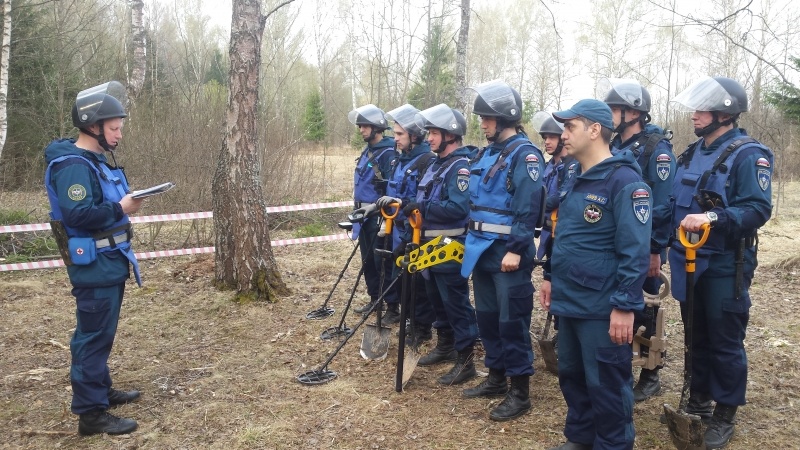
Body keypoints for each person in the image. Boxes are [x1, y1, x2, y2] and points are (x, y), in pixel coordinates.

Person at [668, 76, 773, 449]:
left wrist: (713, 218)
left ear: (724, 113)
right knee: (696, 334)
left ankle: (725, 411)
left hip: (725, 263)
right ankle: (699, 400)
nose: (694, 116)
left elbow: (758, 208)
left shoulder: (749, 154)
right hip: (687, 260)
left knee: (724, 339)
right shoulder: (692, 152)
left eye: (701, 109)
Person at [541, 99, 651, 450]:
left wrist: (624, 306)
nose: (563, 135)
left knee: (606, 383)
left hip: (602, 306)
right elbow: (568, 237)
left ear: (594, 130)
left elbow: (635, 252)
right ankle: (581, 438)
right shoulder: (575, 176)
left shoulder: (625, 182)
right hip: (571, 300)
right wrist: (551, 277)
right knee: (572, 376)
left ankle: (613, 443)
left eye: (570, 127)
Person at [43, 81, 143, 436]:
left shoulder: (92, 161)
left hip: (109, 261)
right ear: (92, 126)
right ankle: (91, 414)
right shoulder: (72, 166)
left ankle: (102, 390)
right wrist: (121, 207)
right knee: (92, 337)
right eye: (114, 128)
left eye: (120, 127)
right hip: (95, 265)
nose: (118, 134)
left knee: (102, 332)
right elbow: (79, 215)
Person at [460, 80, 545, 421]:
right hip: (480, 251)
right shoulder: (485, 153)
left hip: (508, 254)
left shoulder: (525, 155)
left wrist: (516, 249)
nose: (482, 123)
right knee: (488, 319)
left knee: (512, 322)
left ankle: (520, 391)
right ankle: (495, 377)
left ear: (504, 118)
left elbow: (527, 207)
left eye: (486, 118)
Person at [392, 104, 478, 385]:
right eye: (428, 132)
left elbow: (458, 207)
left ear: (450, 135)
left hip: (448, 247)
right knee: (438, 302)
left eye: (433, 133)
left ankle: (465, 361)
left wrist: (423, 206)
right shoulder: (435, 164)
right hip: (427, 247)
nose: (428, 138)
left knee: (456, 304)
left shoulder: (460, 168)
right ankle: (445, 346)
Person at [602, 78, 676, 402]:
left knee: (646, 309)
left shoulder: (656, 149)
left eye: (614, 108)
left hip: (644, 247)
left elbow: (663, 204)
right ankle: (620, 365)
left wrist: (655, 249)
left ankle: (651, 372)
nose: (610, 114)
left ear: (633, 111)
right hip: (616, 244)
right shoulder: (616, 146)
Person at [375, 104, 434, 327]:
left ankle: (422, 327)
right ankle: (408, 318)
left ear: (415, 135)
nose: (395, 139)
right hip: (396, 230)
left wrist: (404, 205)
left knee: (417, 281)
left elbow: (424, 200)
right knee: (399, 279)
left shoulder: (426, 161)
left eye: (400, 134)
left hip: (415, 231)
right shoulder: (398, 160)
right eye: (394, 133)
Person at [348, 104, 397, 315]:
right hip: (363, 217)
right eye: (360, 126)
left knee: (382, 262)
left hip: (379, 217)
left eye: (365, 126)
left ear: (377, 127)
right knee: (367, 261)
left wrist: (387, 219)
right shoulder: (367, 150)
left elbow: (391, 188)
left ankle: (392, 307)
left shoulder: (388, 153)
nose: (361, 130)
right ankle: (375, 300)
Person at [532, 110, 576, 261]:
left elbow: (560, 197)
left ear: (562, 139)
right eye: (545, 137)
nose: (547, 142)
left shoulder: (573, 166)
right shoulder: (547, 166)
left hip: (562, 235)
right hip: (547, 232)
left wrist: (535, 204)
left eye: (551, 137)